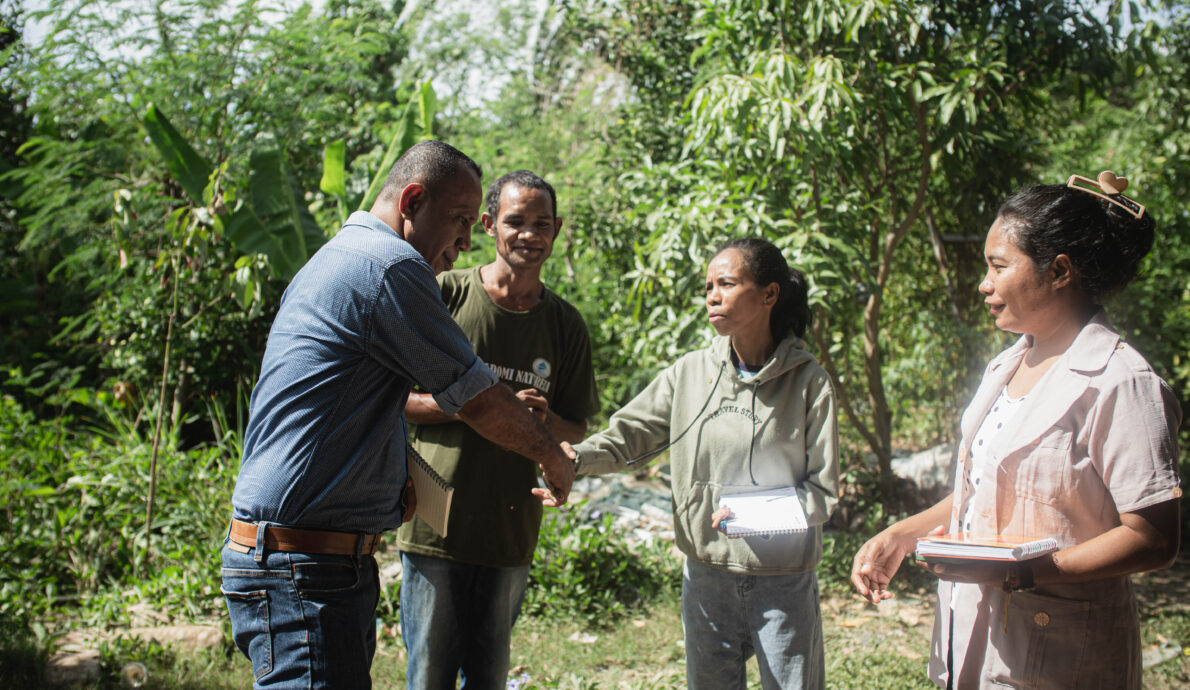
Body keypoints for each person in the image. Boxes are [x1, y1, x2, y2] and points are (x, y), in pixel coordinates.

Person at [220, 142, 577, 689]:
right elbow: (477, 396)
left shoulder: (344, 254)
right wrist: (552, 455)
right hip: (303, 565)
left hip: (312, 559)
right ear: (412, 201)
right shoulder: (390, 268)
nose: (463, 242)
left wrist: (391, 473)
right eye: (460, 220)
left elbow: (348, 401)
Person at [850, 172, 1182, 689]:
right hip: (976, 635)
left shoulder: (1122, 382)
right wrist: (903, 533)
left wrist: (1021, 573)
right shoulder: (1007, 364)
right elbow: (988, 492)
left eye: (998, 267)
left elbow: (1154, 539)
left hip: (1062, 651)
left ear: (1060, 271)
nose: (984, 283)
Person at [567, 237, 839, 690]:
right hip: (707, 575)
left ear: (769, 294)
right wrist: (575, 458)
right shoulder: (692, 373)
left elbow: (823, 492)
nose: (712, 295)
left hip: (783, 581)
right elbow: (629, 435)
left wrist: (753, 516)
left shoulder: (809, 383)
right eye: (708, 286)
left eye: (727, 284)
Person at [395, 170, 599, 689]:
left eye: (542, 224)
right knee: (429, 675)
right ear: (488, 224)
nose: (529, 234)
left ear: (556, 230)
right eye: (515, 221)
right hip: (433, 525)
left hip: (510, 530)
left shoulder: (565, 324)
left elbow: (576, 426)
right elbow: (397, 400)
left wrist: (542, 420)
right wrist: (480, 404)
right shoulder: (444, 293)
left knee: (488, 677)